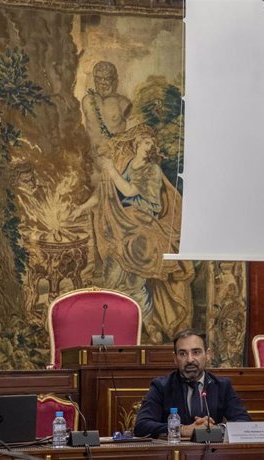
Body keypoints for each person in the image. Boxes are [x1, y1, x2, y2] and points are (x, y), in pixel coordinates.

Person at [73, 124, 194, 342]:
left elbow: (128, 191)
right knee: (112, 276)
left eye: (153, 143)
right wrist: (82, 207)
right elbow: (105, 192)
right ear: (137, 143)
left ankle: (148, 325)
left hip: (143, 223)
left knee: (134, 279)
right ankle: (112, 332)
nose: (151, 146)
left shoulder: (152, 170)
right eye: (147, 142)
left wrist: (110, 170)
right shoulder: (127, 164)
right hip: (124, 222)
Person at [133, 329, 251, 438]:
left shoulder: (222, 386)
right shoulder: (161, 387)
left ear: (208, 354)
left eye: (196, 352)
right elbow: (142, 426)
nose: (190, 359)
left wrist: (217, 429)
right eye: (183, 354)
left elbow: (244, 422)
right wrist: (182, 429)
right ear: (175, 358)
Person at [82, 61, 132, 153]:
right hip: (90, 156)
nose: (102, 82)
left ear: (114, 81)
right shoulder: (86, 100)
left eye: (107, 78)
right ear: (94, 80)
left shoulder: (123, 103)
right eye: (99, 78)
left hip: (115, 155)